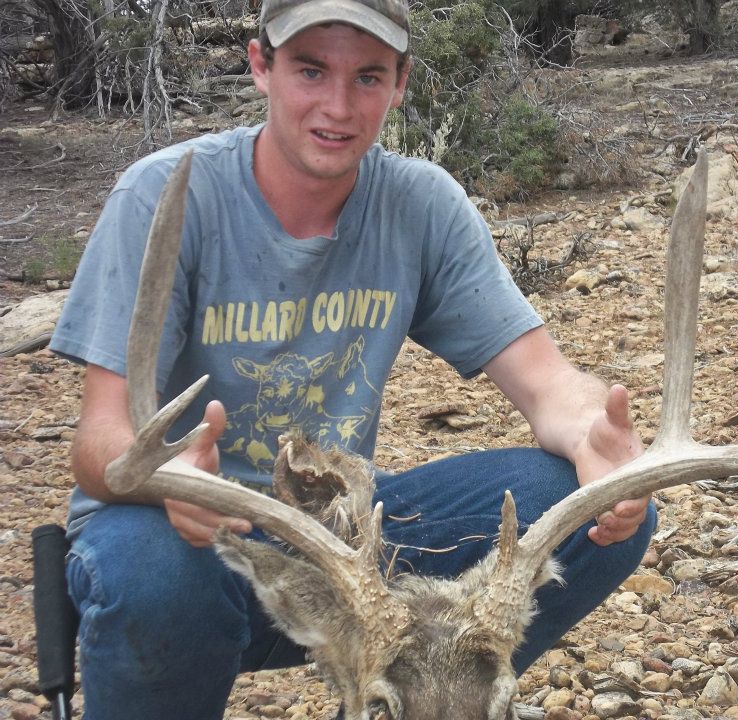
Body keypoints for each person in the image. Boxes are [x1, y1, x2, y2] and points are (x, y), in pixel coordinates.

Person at [49, 0, 658, 717]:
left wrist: (598, 439)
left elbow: (547, 382)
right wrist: (165, 477)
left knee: (584, 508)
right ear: (260, 67)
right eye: (311, 70)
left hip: (349, 551)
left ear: (400, 83)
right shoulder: (166, 196)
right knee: (150, 571)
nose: (337, 106)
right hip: (196, 539)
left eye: (367, 76)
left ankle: (409, 700)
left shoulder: (420, 203)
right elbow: (100, 445)